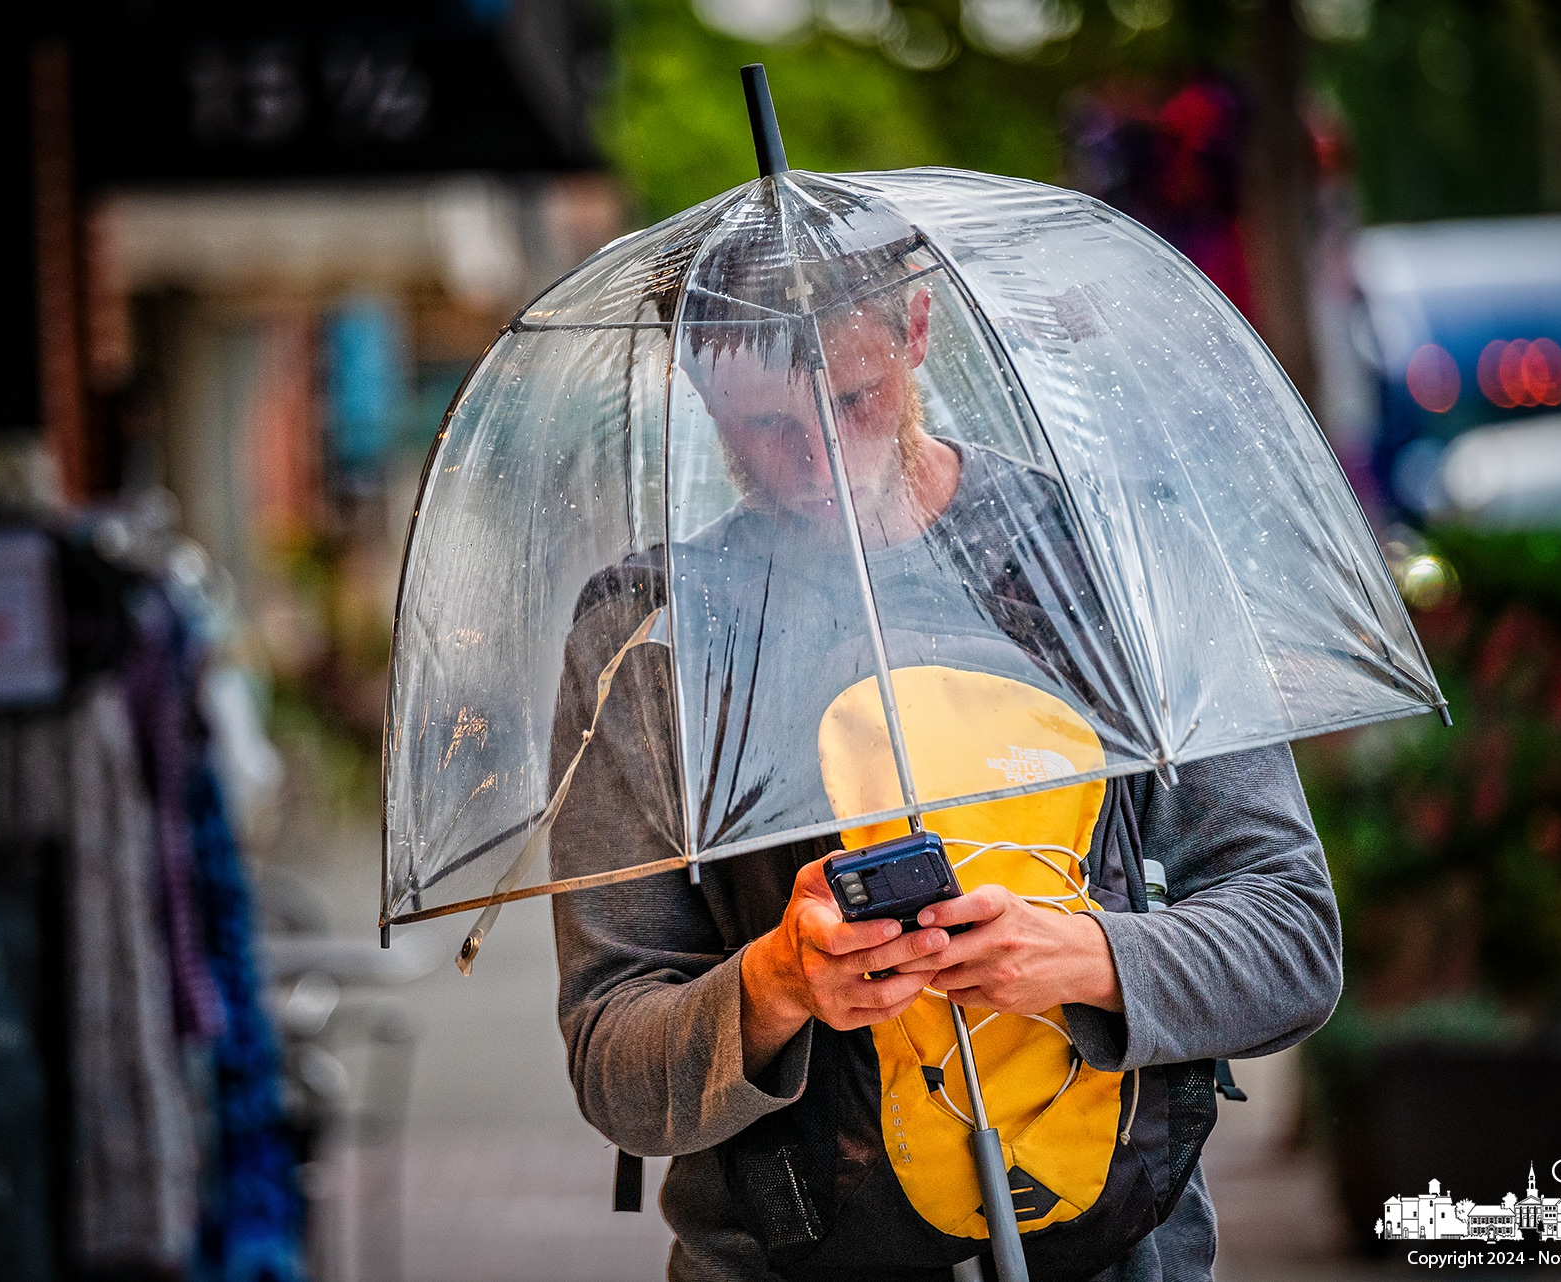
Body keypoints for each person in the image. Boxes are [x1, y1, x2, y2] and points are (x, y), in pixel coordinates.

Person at [548, 230, 1342, 1282]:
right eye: (770, 430)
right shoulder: (655, 640)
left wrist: (1078, 958)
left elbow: (1293, 942)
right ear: (701, 389)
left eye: (854, 400)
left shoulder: (1113, 567)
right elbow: (614, 1062)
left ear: (916, 327)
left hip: (1115, 1250)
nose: (823, 464)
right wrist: (779, 983)